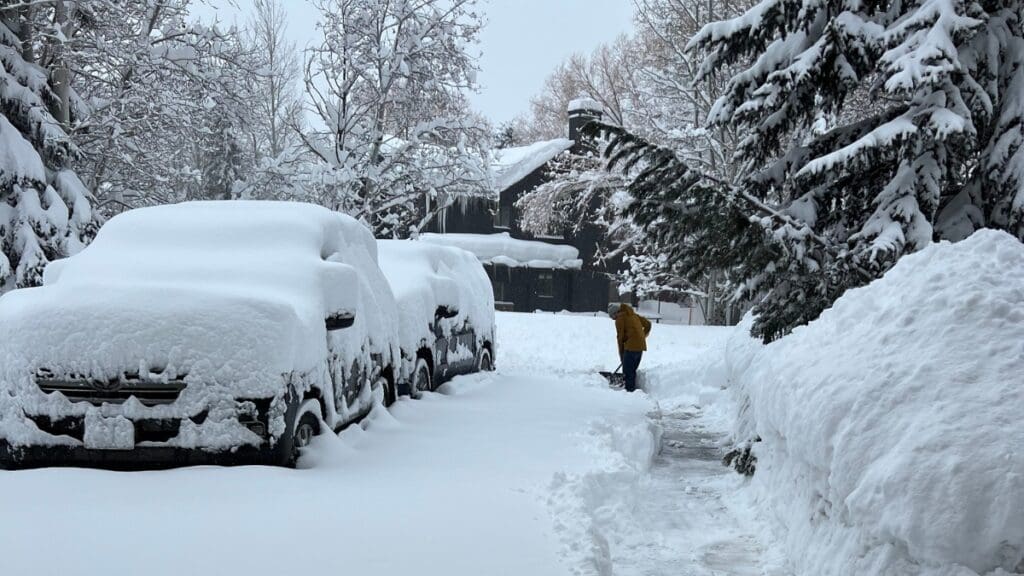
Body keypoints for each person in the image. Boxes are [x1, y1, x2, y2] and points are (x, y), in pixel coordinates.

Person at [608, 302, 651, 392]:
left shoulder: (620, 319)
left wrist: (622, 356)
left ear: (616, 313)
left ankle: (629, 393)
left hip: (631, 347)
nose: (613, 319)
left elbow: (620, 338)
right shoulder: (633, 315)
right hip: (640, 347)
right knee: (632, 371)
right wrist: (641, 337)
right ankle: (632, 391)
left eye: (612, 316)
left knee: (627, 373)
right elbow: (648, 324)